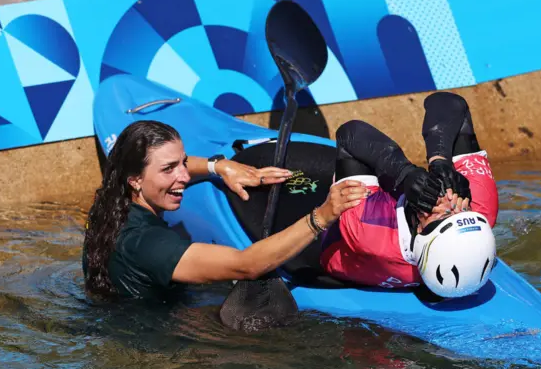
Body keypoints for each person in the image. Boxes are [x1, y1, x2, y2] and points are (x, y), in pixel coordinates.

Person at [82, 120, 369, 300]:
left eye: (183, 163)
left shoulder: (110, 202)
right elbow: (246, 265)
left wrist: (218, 166)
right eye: (169, 169)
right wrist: (322, 216)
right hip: (153, 351)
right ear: (135, 180)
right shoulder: (148, 243)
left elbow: (172, 167)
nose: (183, 175)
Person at [320, 92, 499, 298]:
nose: (450, 199)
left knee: (377, 164)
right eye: (462, 210)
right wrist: (439, 160)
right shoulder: (483, 207)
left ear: (420, 232)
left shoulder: (369, 229)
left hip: (340, 246)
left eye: (442, 215)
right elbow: (449, 102)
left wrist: (405, 173)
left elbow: (349, 134)